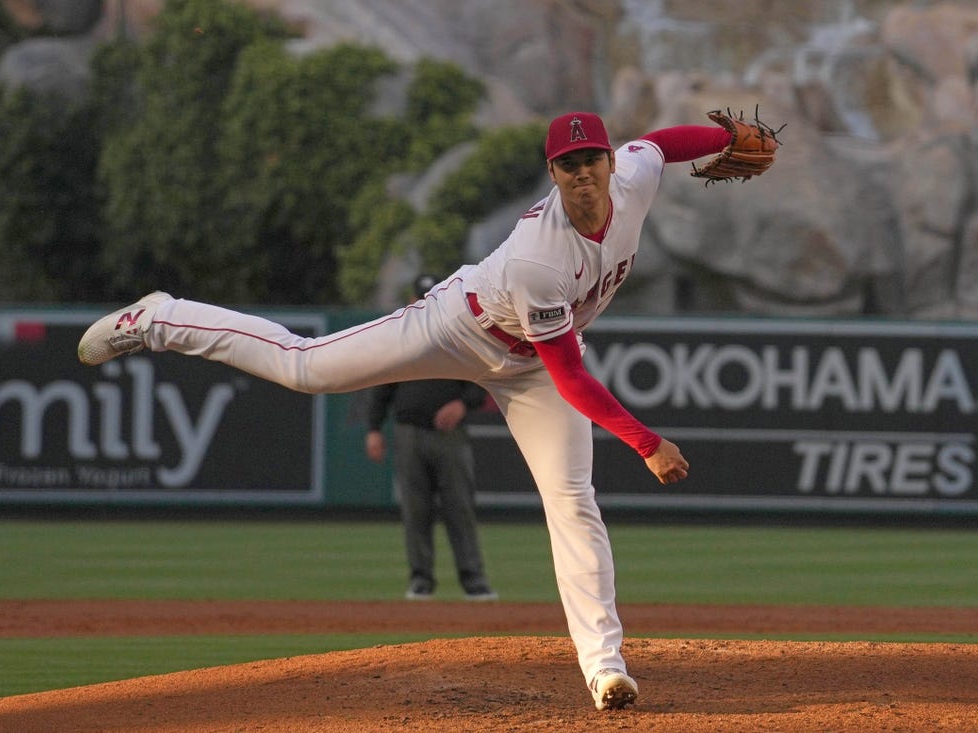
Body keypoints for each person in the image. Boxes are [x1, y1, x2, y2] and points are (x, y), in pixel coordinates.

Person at [78, 110, 747, 711]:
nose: (582, 174)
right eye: (567, 165)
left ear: (607, 161)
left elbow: (660, 142)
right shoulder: (539, 256)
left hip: (532, 368)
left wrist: (726, 138)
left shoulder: (633, 180)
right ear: (553, 172)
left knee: (572, 500)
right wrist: (644, 439)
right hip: (463, 326)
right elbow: (571, 375)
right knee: (307, 366)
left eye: (591, 160)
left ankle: (605, 670)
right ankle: (161, 318)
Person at [365, 273, 497, 602]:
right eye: (420, 298)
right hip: (408, 431)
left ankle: (474, 579)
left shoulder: (462, 338)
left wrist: (462, 404)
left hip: (449, 435)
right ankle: (420, 580)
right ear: (412, 301)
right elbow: (382, 389)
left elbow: (484, 381)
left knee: (459, 507)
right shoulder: (401, 340)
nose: (424, 304)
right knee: (415, 509)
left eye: (430, 298)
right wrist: (372, 429)